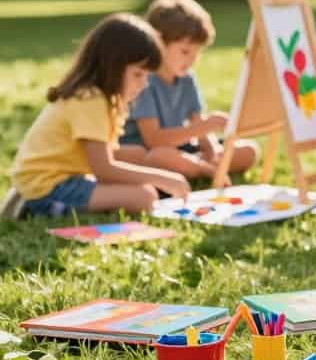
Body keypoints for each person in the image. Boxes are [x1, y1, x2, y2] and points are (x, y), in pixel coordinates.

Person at [3, 14, 190, 219]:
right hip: (47, 187)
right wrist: (163, 178)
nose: (144, 84)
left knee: (136, 157)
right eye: (138, 74)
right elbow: (103, 168)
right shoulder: (91, 99)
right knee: (144, 197)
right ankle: (35, 208)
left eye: (147, 76)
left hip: (59, 178)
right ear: (112, 66)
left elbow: (104, 155)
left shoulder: (99, 97)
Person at [117, 0, 258, 179]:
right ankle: (203, 169)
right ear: (158, 43)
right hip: (148, 152)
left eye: (196, 53)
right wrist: (203, 128)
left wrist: (213, 151)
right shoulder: (144, 80)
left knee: (249, 150)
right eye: (185, 52)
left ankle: (199, 166)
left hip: (182, 149)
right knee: (161, 157)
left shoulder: (186, 78)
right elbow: (153, 140)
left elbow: (197, 123)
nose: (191, 60)